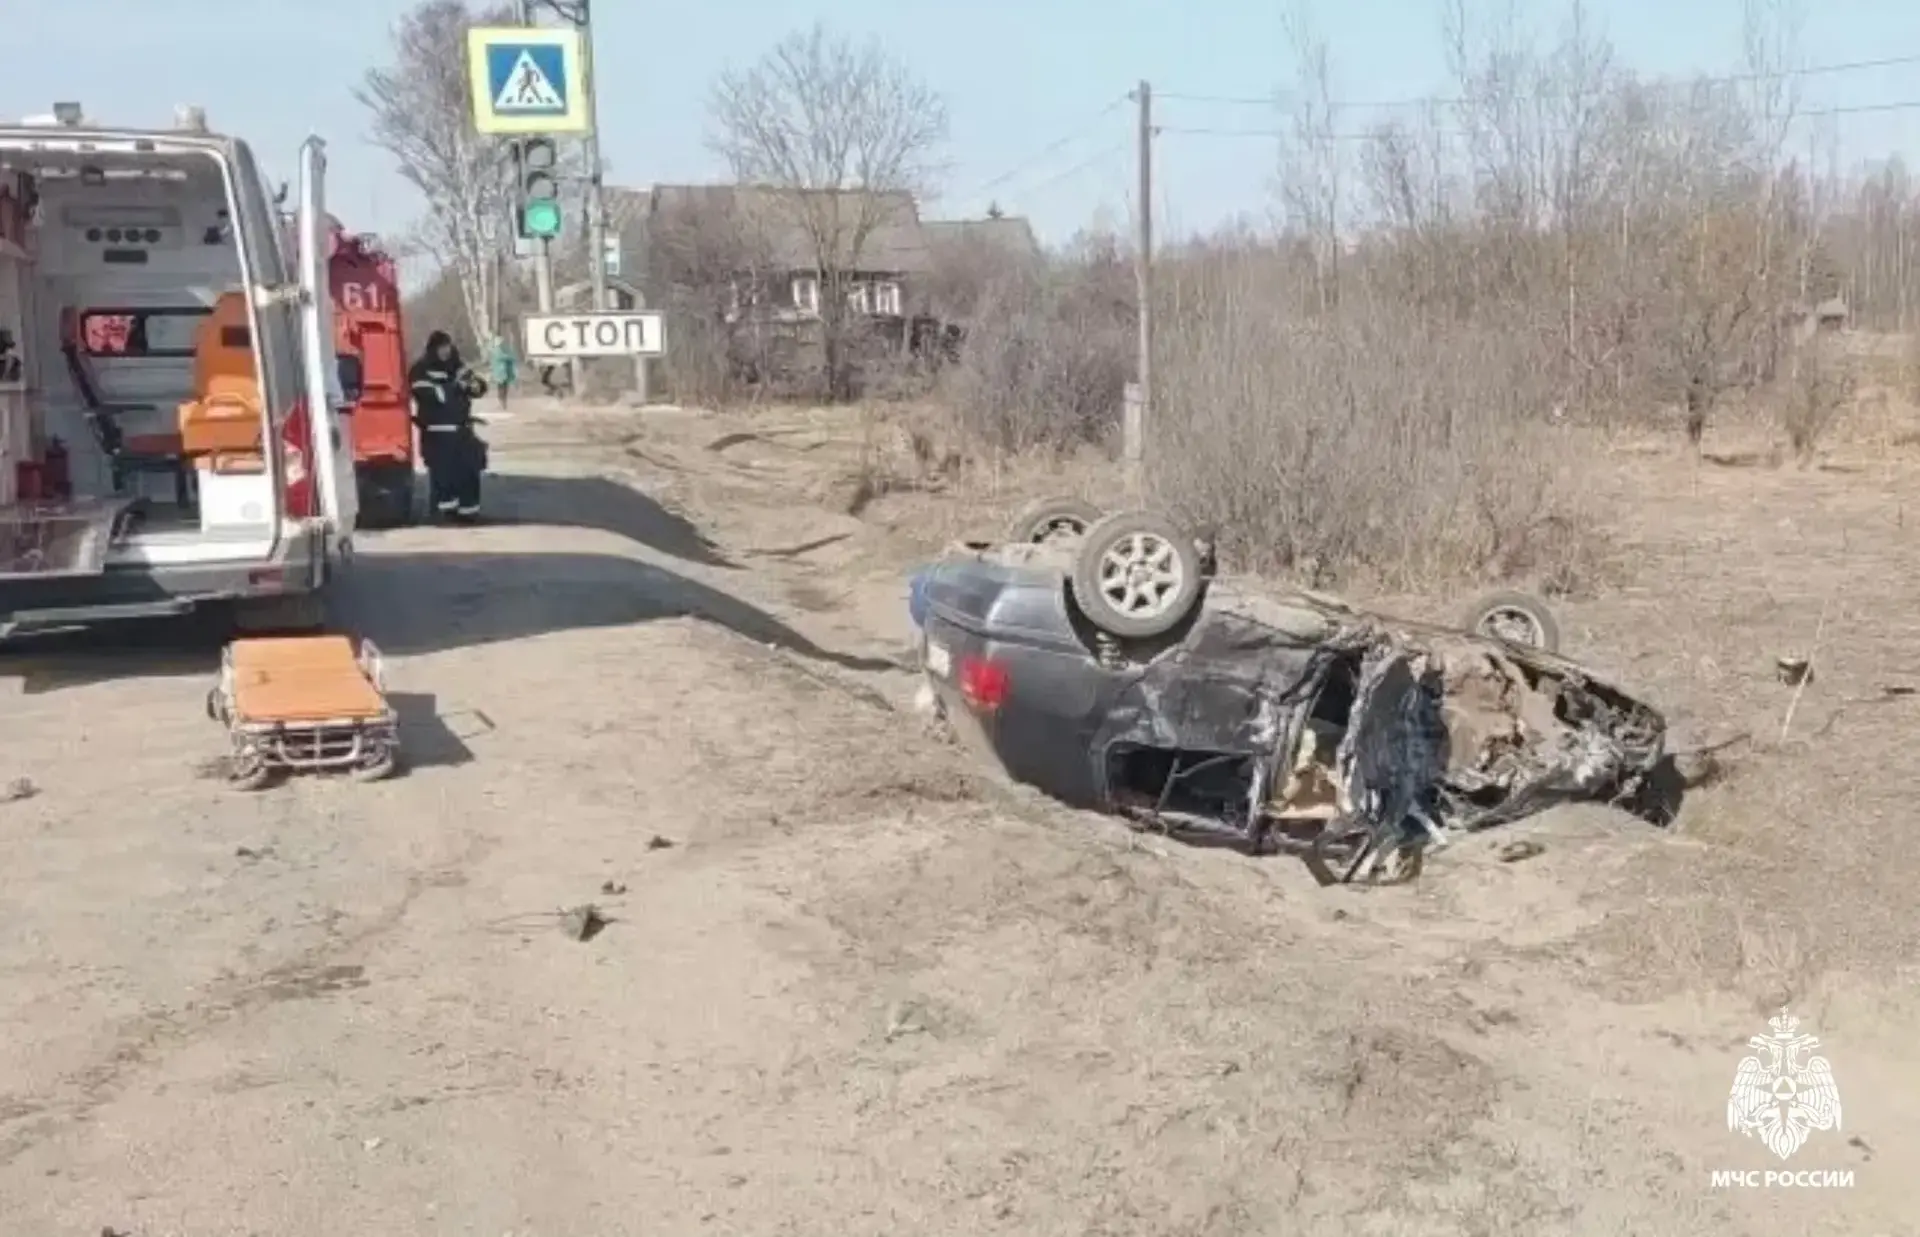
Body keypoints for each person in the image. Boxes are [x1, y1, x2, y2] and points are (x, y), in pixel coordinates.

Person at [408, 330, 488, 523]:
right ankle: (444, 514)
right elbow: (429, 394)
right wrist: (455, 387)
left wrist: (474, 385)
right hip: (437, 433)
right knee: (444, 476)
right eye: (441, 347)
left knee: (469, 471)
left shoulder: (458, 366)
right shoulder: (421, 369)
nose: (445, 351)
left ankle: (469, 512)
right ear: (433, 349)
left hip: (462, 431)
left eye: (448, 347)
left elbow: (477, 387)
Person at [488, 334, 518, 410]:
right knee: (501, 387)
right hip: (500, 372)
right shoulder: (496, 350)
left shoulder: (505, 349)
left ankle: (503, 402)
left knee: (504, 387)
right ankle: (502, 402)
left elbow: (512, 357)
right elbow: (500, 358)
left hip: (505, 371)